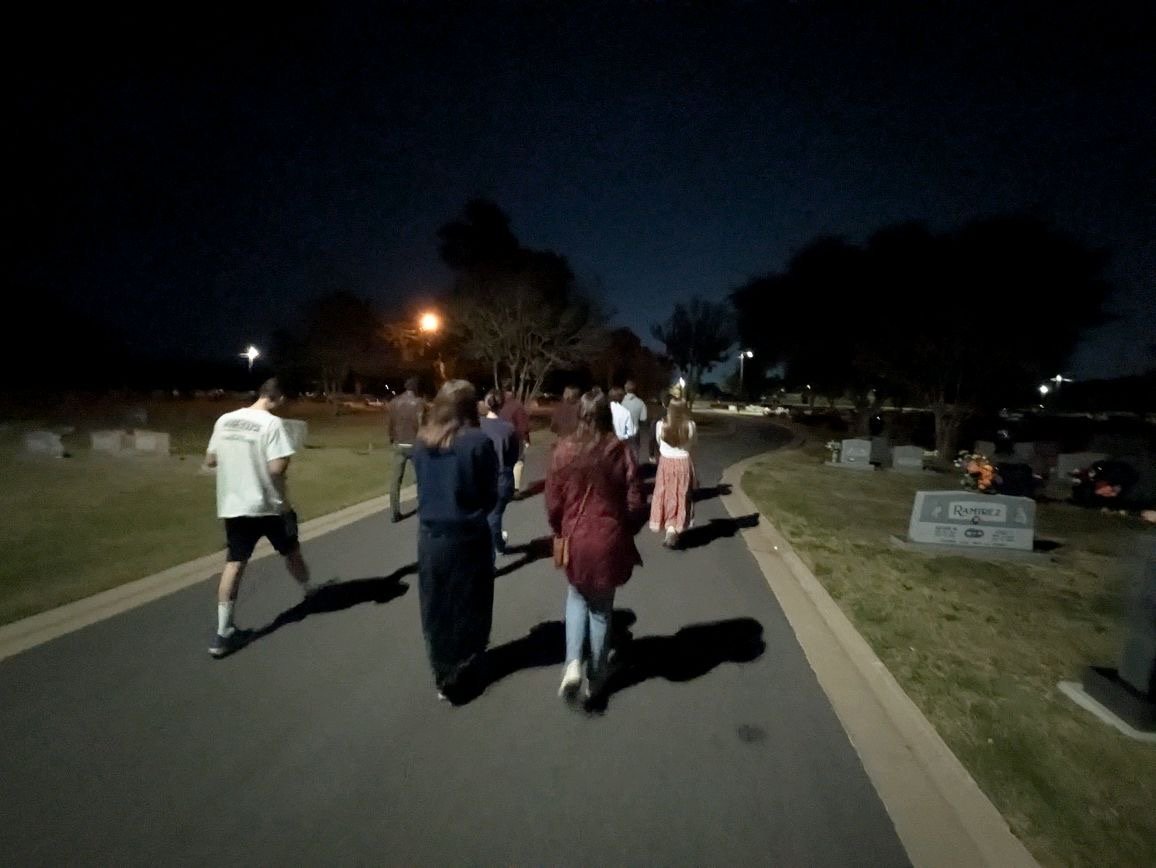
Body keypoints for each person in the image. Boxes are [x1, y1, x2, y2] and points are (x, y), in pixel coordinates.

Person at [546, 390, 645, 702]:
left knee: (576, 595)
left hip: (574, 536)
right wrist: (627, 527)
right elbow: (635, 498)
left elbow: (553, 501)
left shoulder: (563, 451)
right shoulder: (620, 451)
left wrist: (559, 528)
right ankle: (597, 676)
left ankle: (573, 661)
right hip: (608, 536)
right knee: (601, 610)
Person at [204, 378, 314, 658]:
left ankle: (223, 632)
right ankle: (310, 591)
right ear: (276, 398)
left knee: (235, 563)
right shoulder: (272, 424)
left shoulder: (225, 420)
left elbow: (211, 460)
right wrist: (285, 461)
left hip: (234, 505)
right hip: (270, 506)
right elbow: (276, 468)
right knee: (291, 551)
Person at [412, 380, 498, 699]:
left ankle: (442, 671)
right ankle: (467, 667)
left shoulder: (421, 442)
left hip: (431, 537)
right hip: (468, 535)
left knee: (436, 606)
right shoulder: (477, 442)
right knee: (471, 605)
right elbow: (489, 493)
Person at [649, 388, 697, 548]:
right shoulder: (691, 426)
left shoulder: (661, 425)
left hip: (666, 463)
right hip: (683, 462)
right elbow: (693, 444)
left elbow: (658, 441)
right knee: (681, 495)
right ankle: (675, 527)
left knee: (666, 494)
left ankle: (669, 527)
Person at [480, 389, 520, 557]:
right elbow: (514, 455)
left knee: (490, 516)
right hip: (502, 476)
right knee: (494, 516)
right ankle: (494, 550)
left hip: (482, 476)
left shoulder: (478, 426)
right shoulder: (508, 429)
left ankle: (497, 544)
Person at [387, 377, 424, 523]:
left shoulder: (394, 402)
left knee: (396, 480)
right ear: (416, 388)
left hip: (399, 444)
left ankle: (394, 512)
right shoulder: (419, 403)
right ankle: (424, 507)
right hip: (414, 445)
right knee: (420, 478)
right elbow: (421, 423)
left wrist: (391, 438)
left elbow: (390, 423)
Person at [499, 380, 531, 496]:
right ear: (513, 391)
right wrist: (526, 439)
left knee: (505, 463)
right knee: (518, 462)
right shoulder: (517, 406)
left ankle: (504, 487)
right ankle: (515, 489)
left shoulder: (500, 405)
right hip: (515, 438)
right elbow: (523, 425)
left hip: (501, 437)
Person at [620, 380, 648, 459]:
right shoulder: (640, 402)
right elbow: (643, 418)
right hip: (635, 430)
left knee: (624, 453)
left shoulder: (621, 402)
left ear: (625, 389)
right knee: (635, 451)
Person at [647, 392, 673, 464]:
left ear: (663, 404)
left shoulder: (658, 418)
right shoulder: (682, 419)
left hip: (661, 451)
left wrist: (651, 454)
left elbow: (652, 437)